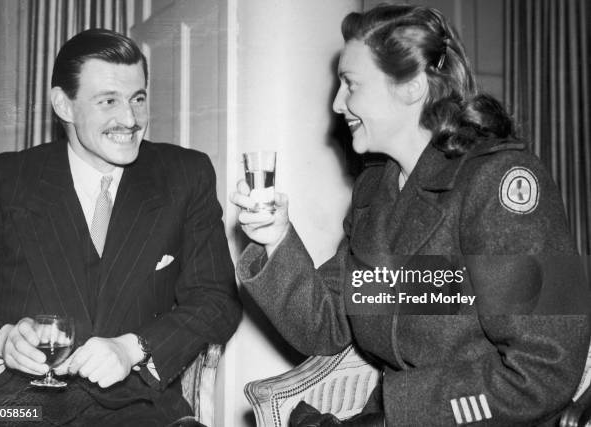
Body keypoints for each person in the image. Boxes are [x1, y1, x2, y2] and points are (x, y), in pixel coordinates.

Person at [232, 4, 590, 426]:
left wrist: (395, 416)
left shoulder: (500, 182)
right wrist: (275, 240)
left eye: (350, 84)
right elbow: (327, 323)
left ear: (411, 87)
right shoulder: (376, 190)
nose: (336, 103)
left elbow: (545, 370)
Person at [0, 29, 241, 426]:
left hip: (141, 409)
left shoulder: (185, 175)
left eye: (138, 98)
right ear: (63, 105)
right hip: (18, 408)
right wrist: (2, 340)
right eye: (108, 101)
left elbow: (216, 300)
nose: (131, 119)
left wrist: (133, 348)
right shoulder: (0, 181)